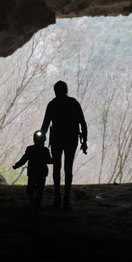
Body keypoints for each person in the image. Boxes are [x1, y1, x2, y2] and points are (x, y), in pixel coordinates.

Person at [40, 81, 87, 209]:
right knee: (68, 167)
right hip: (71, 139)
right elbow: (83, 123)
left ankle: (57, 197)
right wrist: (85, 141)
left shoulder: (52, 104)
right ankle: (65, 198)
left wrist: (40, 139)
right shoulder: (73, 103)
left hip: (57, 139)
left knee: (57, 167)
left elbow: (45, 124)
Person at [12, 131, 53, 212]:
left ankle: (34, 202)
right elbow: (49, 160)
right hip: (41, 172)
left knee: (31, 188)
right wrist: (56, 159)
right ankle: (36, 204)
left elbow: (24, 158)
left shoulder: (30, 149)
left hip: (33, 172)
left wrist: (17, 165)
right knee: (38, 189)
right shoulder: (45, 150)